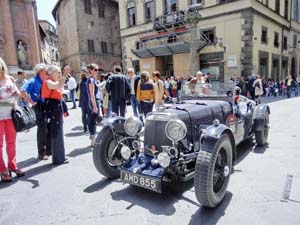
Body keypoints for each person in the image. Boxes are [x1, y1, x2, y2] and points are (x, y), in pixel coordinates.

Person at [0, 57, 25, 182]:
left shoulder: (9, 79)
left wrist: (14, 96)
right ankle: (3, 170)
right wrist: (8, 96)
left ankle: (12, 165)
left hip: (10, 115)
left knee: (11, 143)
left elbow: (17, 93)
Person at [20, 63, 50, 160]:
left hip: (47, 106)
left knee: (47, 128)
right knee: (42, 129)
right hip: (39, 106)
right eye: (46, 70)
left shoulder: (45, 80)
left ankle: (48, 149)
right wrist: (32, 102)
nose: (47, 72)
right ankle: (41, 153)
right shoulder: (33, 81)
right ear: (40, 71)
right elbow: (22, 91)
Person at [41, 65, 68, 165]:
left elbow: (59, 86)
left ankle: (59, 157)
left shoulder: (50, 82)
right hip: (53, 109)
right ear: (51, 73)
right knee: (56, 133)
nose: (59, 74)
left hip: (55, 108)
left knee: (58, 132)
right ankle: (58, 159)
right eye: (58, 72)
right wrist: (64, 75)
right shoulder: (48, 82)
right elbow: (58, 85)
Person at [87, 64, 101, 146]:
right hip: (94, 102)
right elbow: (92, 94)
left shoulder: (93, 79)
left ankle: (93, 138)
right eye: (95, 70)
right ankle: (93, 139)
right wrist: (95, 106)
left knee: (94, 121)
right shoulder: (91, 80)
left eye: (97, 70)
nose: (97, 71)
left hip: (94, 101)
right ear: (91, 70)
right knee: (93, 121)